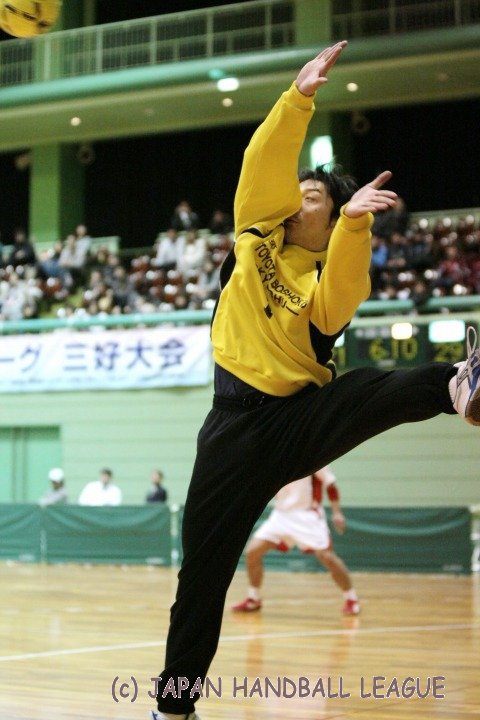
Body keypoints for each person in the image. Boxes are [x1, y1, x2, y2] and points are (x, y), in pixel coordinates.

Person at [151, 42, 479, 720]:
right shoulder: (253, 237)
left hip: (295, 419)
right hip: (231, 428)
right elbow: (261, 165)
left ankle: (456, 385)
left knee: (360, 391)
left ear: (328, 222)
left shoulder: (325, 285)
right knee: (200, 578)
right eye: (300, 193)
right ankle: (174, 708)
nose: (301, 200)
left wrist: (354, 225)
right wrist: (296, 100)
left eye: (317, 199)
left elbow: (348, 288)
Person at [231, 466, 360, 616]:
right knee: (252, 552)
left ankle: (351, 598)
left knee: (327, 557)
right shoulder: (277, 459)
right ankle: (253, 599)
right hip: (281, 515)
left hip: (307, 516)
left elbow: (330, 484)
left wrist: (337, 512)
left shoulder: (314, 458)